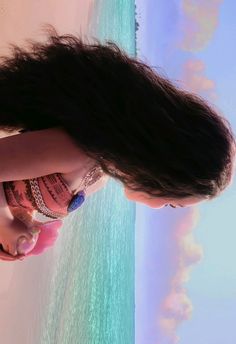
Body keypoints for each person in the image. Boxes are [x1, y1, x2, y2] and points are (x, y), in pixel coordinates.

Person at [0, 24, 235, 261]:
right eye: (170, 203)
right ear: (162, 169)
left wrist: (21, 221)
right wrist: (6, 224)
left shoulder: (98, 176)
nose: (158, 207)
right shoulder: (77, 152)